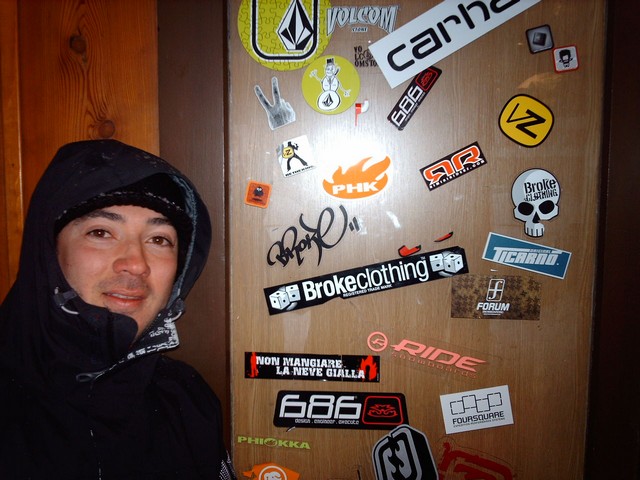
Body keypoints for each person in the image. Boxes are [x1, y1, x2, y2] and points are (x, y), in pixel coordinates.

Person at [0, 140, 236, 479]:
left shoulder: (187, 401)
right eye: (101, 232)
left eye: (159, 239)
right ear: (49, 250)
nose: (136, 264)